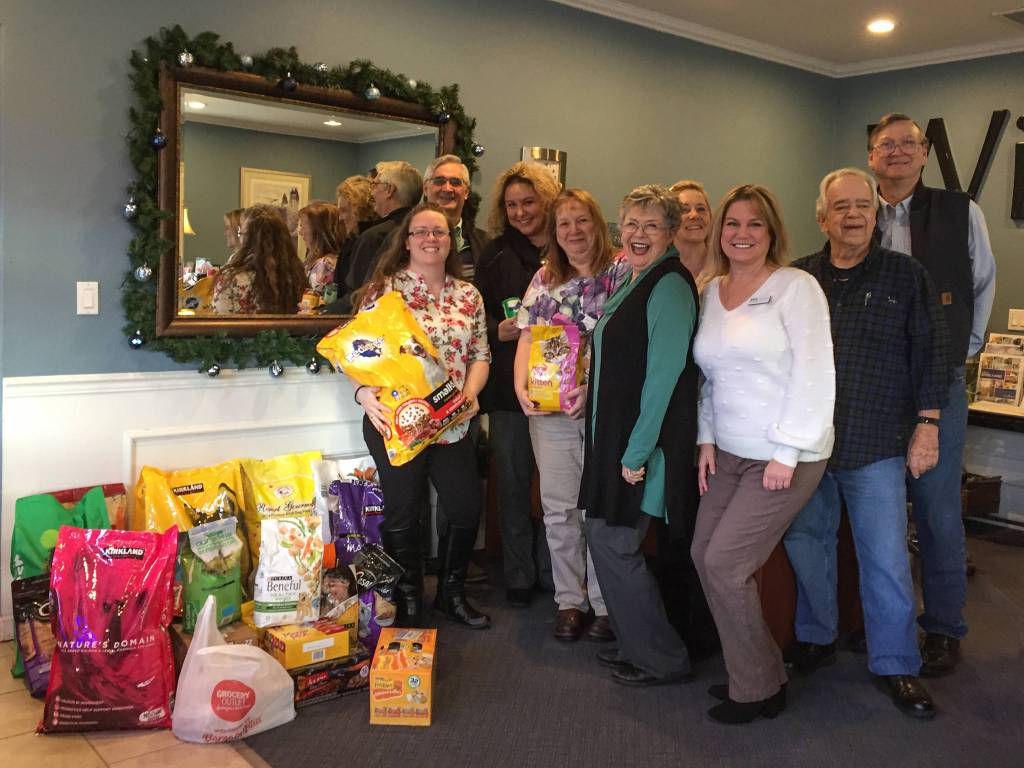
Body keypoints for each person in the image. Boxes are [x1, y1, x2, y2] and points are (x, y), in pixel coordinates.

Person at [783, 167, 949, 719]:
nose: (853, 215)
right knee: (809, 543)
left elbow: (931, 354)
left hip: (876, 442)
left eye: (863, 206)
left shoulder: (906, 276)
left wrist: (927, 426)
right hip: (809, 444)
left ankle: (897, 663)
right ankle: (816, 635)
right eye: (842, 207)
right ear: (821, 216)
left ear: (875, 215)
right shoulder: (799, 278)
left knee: (884, 558)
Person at [690, 184, 835, 724]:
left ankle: (756, 689)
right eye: (733, 224)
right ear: (719, 232)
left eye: (754, 224)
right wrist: (705, 437)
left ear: (771, 231)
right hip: (727, 452)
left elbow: (815, 372)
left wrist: (788, 451)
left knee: (727, 564)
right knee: (703, 556)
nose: (742, 234)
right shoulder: (712, 291)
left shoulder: (797, 287)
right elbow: (710, 377)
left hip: (784, 456)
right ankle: (758, 671)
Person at [867, 113, 996, 677]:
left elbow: (982, 281)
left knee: (938, 508)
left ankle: (943, 626)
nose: (896, 152)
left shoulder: (959, 210)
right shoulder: (855, 210)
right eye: (885, 145)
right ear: (871, 156)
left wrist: (960, 353)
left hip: (937, 379)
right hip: (874, 380)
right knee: (875, 507)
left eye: (907, 144)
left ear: (923, 154)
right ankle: (871, 619)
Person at [578, 184, 697, 686]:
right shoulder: (633, 276)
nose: (639, 234)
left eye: (651, 225)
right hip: (615, 441)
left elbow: (664, 377)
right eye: (631, 223)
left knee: (614, 542)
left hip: (643, 448)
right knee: (603, 537)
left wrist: (636, 452)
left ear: (671, 232)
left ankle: (663, 658)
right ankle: (636, 644)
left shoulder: (669, 284)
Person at [352, 202, 491, 630]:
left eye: (441, 232)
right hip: (396, 422)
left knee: (465, 509)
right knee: (403, 512)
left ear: (452, 241)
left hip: (453, 423)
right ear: (407, 241)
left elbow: (480, 354)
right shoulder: (384, 292)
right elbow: (356, 351)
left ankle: (451, 594)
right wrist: (361, 393)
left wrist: (470, 393)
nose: (432, 239)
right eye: (422, 232)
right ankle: (409, 597)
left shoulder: (468, 295)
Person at [513, 188, 629, 642]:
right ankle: (569, 600)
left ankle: (604, 603)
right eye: (564, 224)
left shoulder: (622, 272)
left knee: (598, 509)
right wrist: (520, 385)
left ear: (597, 224)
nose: (574, 231)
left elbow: (629, 346)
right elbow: (526, 337)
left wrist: (594, 387)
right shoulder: (544, 278)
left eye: (581, 221)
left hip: (603, 412)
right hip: (550, 414)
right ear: (554, 233)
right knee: (559, 509)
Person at [474, 161, 560, 612]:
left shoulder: (568, 245)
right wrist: (496, 329)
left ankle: (555, 572)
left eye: (528, 202)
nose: (521, 212)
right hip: (509, 391)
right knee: (511, 485)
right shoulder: (494, 254)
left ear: (547, 199)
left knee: (557, 488)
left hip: (561, 390)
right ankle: (520, 574)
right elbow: (475, 314)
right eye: (511, 206)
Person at [339, 160, 423, 311]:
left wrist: (320, 312)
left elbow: (356, 296)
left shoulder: (374, 236)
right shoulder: (424, 233)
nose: (372, 192)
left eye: (375, 185)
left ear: (389, 190)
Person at [212, 204, 307, 314]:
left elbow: (220, 325)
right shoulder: (296, 275)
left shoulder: (231, 279)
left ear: (248, 239)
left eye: (241, 233)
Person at [423, 154, 488, 282]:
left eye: (455, 182)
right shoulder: (402, 238)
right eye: (439, 181)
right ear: (425, 188)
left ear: (467, 192)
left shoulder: (486, 243)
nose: (447, 188)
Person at [333, 175, 378, 300]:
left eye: (344, 211)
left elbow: (354, 293)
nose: (340, 218)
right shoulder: (352, 239)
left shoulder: (368, 241)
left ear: (360, 210)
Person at [669, 180, 714, 292]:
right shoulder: (657, 268)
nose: (694, 215)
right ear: (669, 221)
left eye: (701, 209)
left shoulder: (726, 267)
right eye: (684, 210)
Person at [297, 201, 344, 299]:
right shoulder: (319, 262)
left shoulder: (325, 265)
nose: (300, 232)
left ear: (318, 230)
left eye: (303, 226)